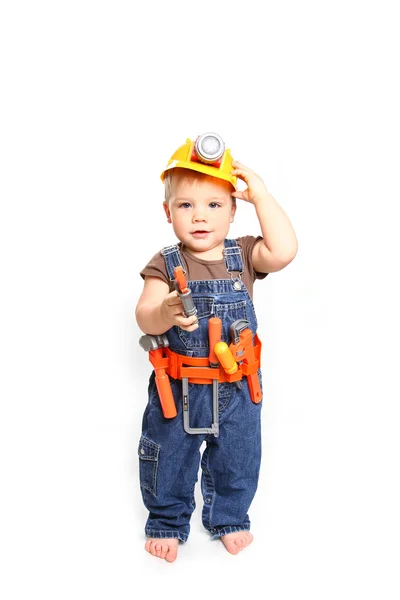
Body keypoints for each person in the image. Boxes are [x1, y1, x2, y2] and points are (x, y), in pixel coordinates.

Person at [136, 133, 297, 562]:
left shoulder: (242, 255)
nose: (200, 216)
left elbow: (283, 251)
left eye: (214, 204)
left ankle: (229, 516)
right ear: (168, 213)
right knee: (170, 455)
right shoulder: (165, 263)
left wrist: (261, 196)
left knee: (239, 457)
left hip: (239, 385)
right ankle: (167, 520)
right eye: (186, 205)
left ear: (232, 210)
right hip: (180, 387)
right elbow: (145, 315)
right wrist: (166, 313)